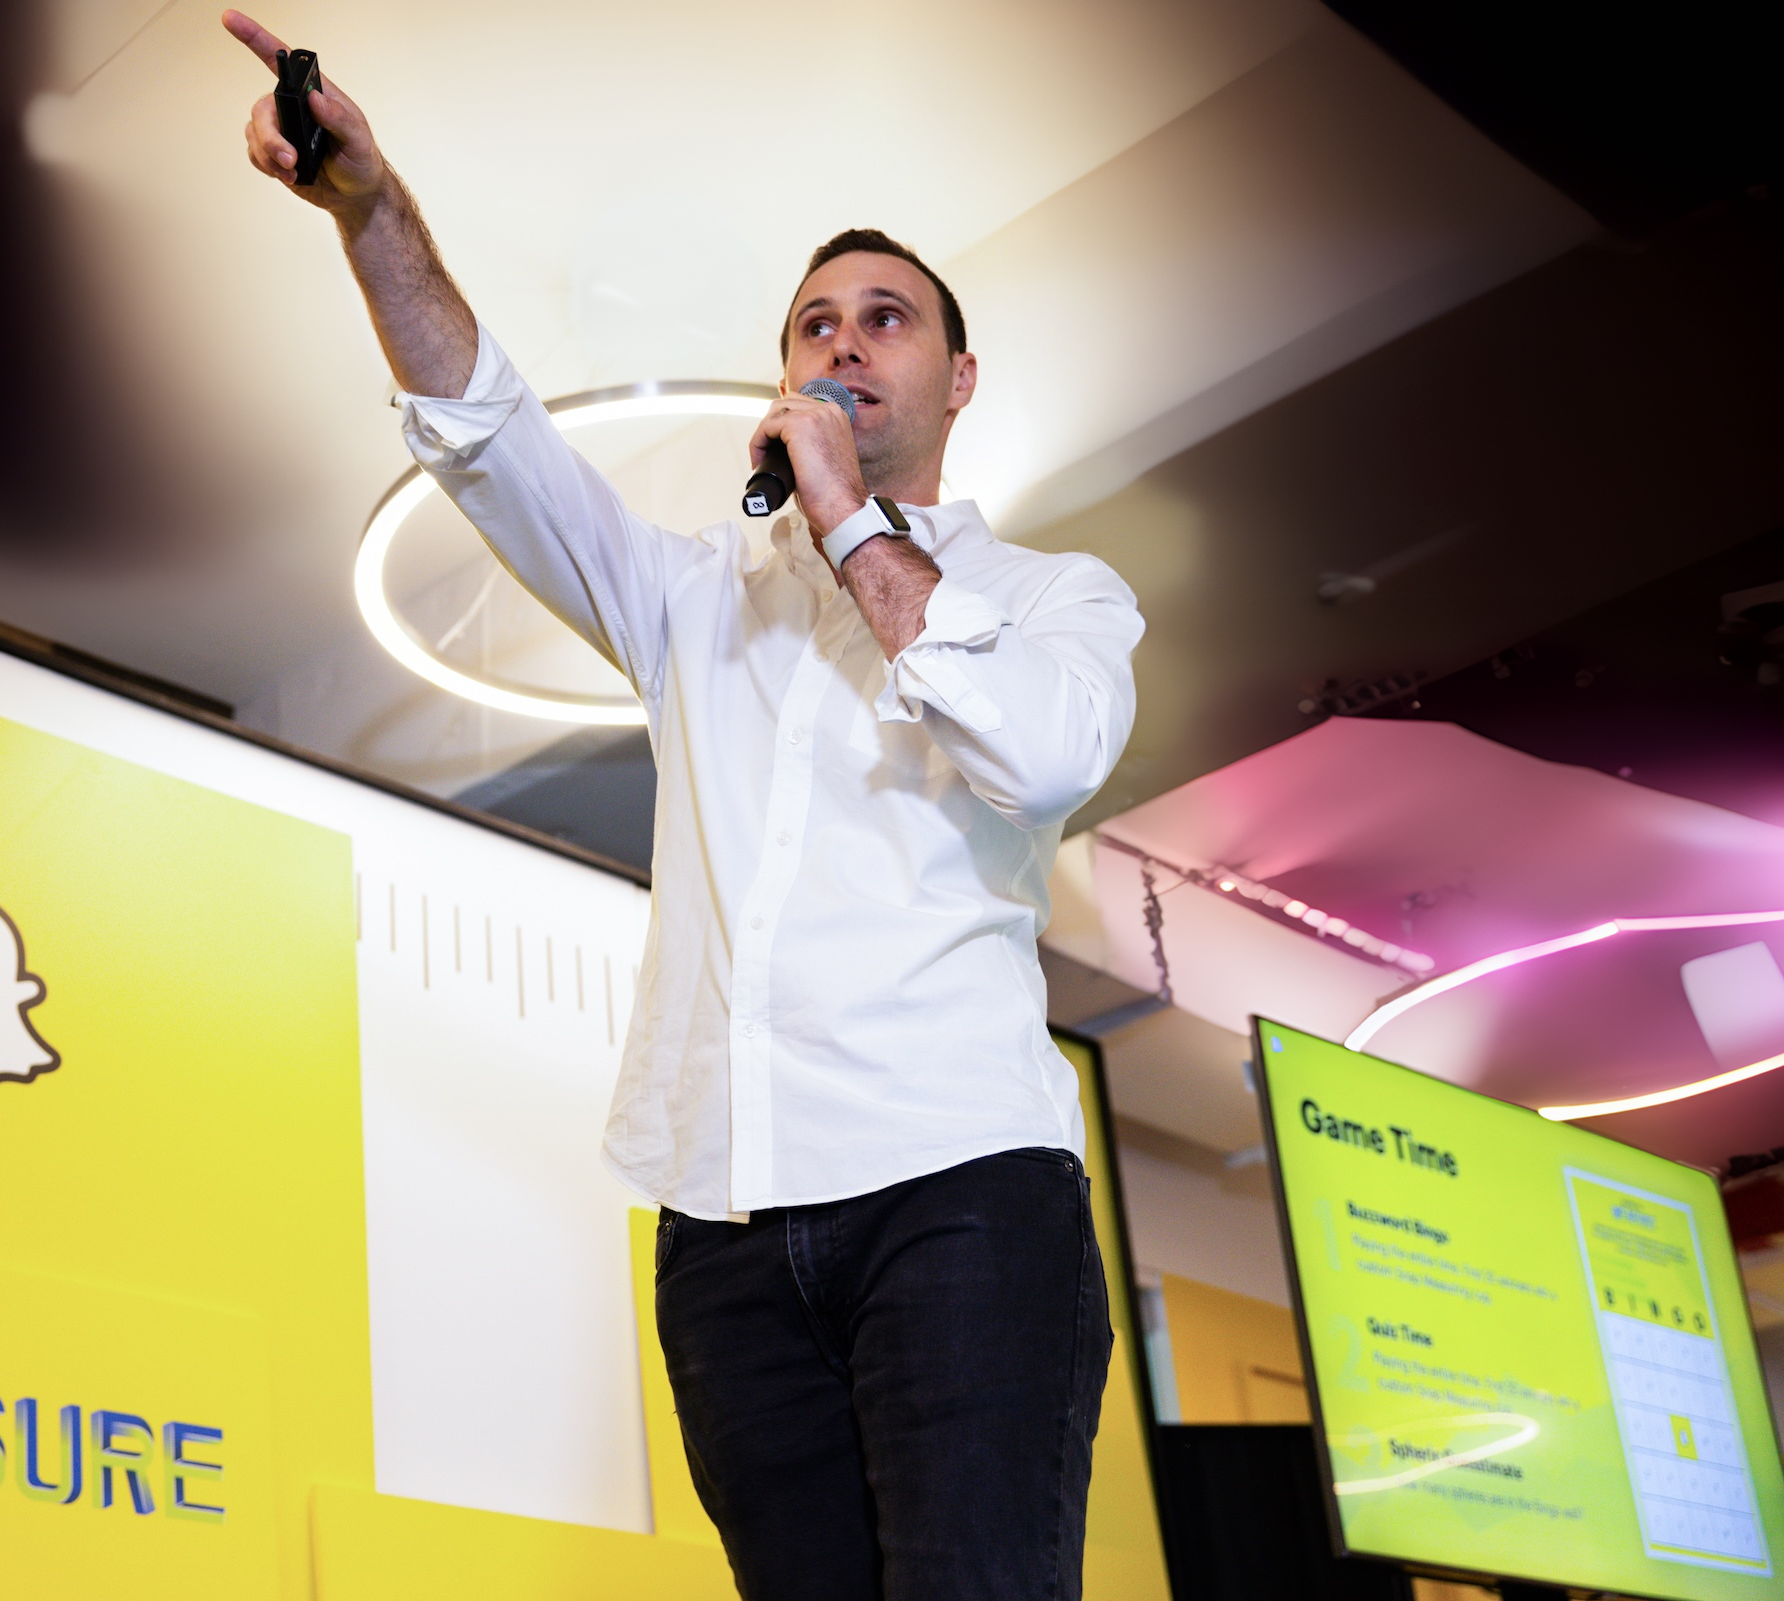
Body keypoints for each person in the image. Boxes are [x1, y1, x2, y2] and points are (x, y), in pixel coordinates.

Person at [226, 12, 1143, 1598]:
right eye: (814, 326)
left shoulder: (1056, 597)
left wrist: (849, 522)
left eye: (885, 320)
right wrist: (370, 209)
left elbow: (1047, 757)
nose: (843, 345)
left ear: (958, 377)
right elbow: (489, 433)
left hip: (963, 1196)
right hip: (723, 1224)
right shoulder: (692, 596)